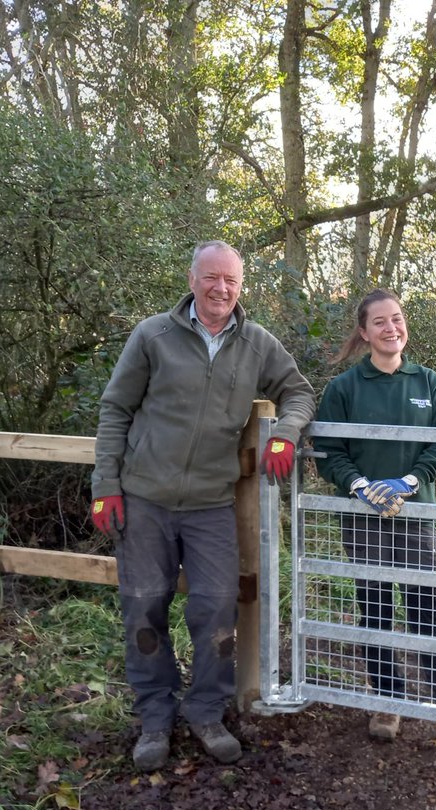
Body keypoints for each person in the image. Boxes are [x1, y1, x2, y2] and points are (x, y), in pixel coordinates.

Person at [91, 240, 316, 773]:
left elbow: (299, 392)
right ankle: (154, 716)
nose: (221, 289)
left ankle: (207, 712)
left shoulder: (257, 344)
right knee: (144, 608)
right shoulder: (154, 335)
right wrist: (106, 484)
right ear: (192, 280)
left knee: (216, 608)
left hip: (211, 505)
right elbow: (116, 408)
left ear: (241, 287)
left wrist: (283, 435)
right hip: (144, 499)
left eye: (231, 281)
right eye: (211, 278)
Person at [313, 288, 436, 751]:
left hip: (415, 513)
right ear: (364, 332)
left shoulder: (428, 383)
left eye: (396, 319)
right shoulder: (344, 389)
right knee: (375, 607)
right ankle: (389, 699)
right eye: (379, 322)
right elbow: (329, 452)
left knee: (428, 609)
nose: (391, 328)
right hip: (364, 519)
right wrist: (360, 486)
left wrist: (409, 482)